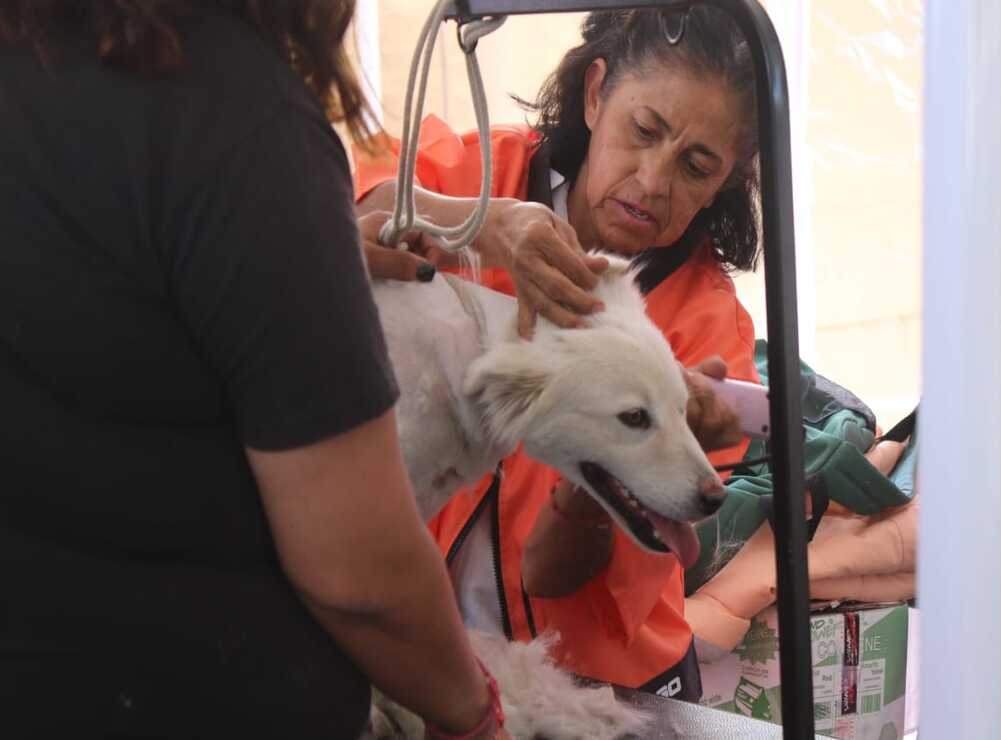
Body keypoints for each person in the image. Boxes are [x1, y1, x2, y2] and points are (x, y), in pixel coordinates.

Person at [0, 3, 507, 738]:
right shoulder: (228, 113)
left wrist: (292, 257)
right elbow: (359, 573)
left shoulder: (30, 60)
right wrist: (472, 711)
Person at [354, 8, 761, 701]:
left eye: (696, 166)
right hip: (409, 646)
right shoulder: (481, 172)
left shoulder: (705, 332)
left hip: (591, 685)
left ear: (724, 180)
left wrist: (619, 461)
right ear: (596, 92)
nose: (654, 181)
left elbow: (550, 574)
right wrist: (483, 224)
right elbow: (344, 221)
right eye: (643, 132)